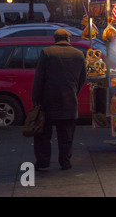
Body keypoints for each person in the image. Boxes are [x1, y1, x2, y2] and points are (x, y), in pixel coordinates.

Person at [31, 29, 87, 171]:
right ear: (68, 39)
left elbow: (39, 78)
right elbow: (82, 79)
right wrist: (74, 92)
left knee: (43, 135)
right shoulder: (79, 54)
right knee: (67, 135)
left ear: (55, 38)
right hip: (69, 101)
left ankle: (43, 162)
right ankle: (65, 162)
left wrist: (36, 98)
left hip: (48, 101)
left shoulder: (47, 52)